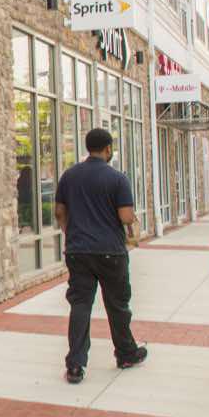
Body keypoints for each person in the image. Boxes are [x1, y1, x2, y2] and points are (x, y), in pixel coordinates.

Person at [54, 127, 147, 384]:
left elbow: (60, 211)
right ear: (108, 149)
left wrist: (70, 232)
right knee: (117, 305)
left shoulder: (69, 176)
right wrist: (131, 235)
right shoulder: (117, 178)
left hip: (78, 251)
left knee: (80, 305)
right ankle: (126, 353)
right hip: (111, 252)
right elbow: (126, 216)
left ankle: (75, 364)